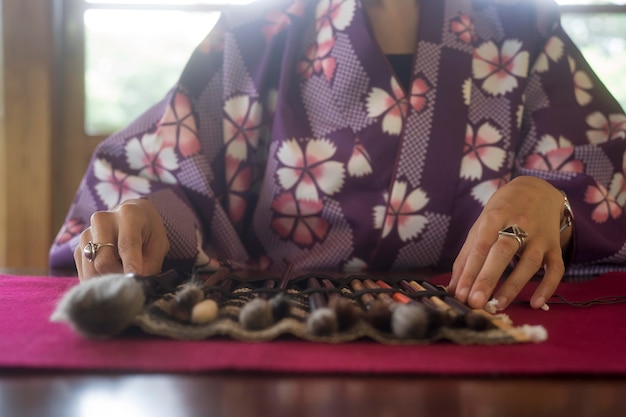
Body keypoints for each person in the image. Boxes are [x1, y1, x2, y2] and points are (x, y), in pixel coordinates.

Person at [50, 0, 626, 311]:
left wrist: (554, 201)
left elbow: (605, 169)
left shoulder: (524, 28)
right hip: (270, 343)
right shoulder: (255, 29)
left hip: (478, 335)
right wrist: (152, 222)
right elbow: (170, 179)